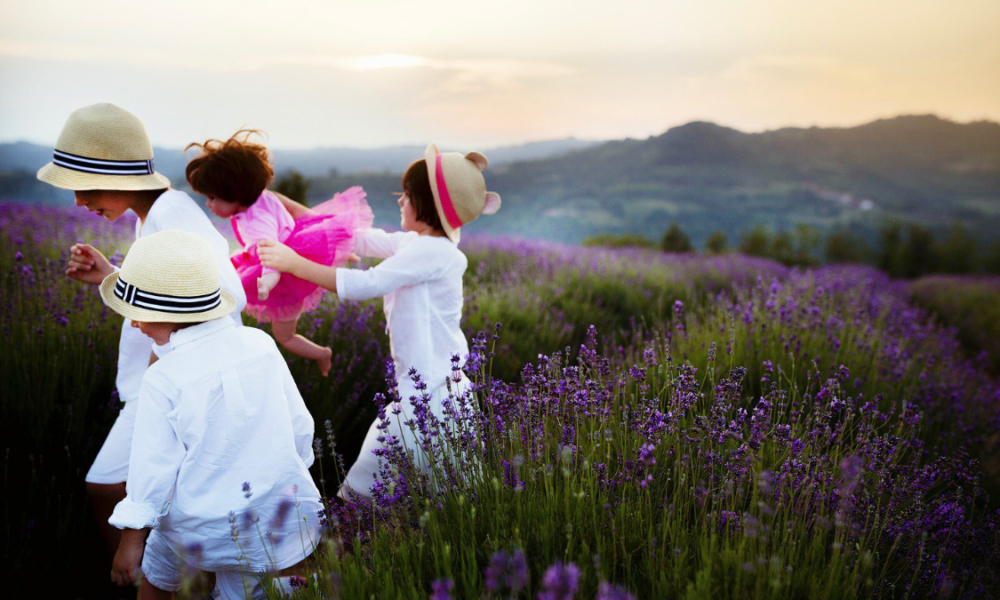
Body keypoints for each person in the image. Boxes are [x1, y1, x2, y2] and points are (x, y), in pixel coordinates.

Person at [36, 103, 247, 561]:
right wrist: (111, 276)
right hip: (166, 382)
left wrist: (161, 368)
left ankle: (140, 582)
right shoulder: (152, 216)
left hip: (173, 385)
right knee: (153, 496)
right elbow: (169, 295)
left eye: (85, 187)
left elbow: (228, 295)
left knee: (106, 487)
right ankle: (158, 581)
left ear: (119, 178)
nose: (77, 201)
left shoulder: (173, 217)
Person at [258, 143, 501, 502]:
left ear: (429, 206)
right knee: (447, 487)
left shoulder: (433, 253)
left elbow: (365, 284)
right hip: (429, 390)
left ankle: (343, 534)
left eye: (407, 195)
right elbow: (357, 238)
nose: (399, 201)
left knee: (378, 477)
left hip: (430, 393)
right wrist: (277, 204)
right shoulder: (418, 243)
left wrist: (293, 263)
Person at [102, 229, 324, 599]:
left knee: (157, 580)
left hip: (193, 523)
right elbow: (299, 424)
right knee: (246, 590)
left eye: (138, 315)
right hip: (265, 516)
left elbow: (152, 470)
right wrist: (283, 478)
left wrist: (129, 540)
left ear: (170, 315)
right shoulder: (260, 344)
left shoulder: (163, 377)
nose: (134, 325)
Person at [185, 130, 372, 376]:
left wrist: (270, 279)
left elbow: (271, 252)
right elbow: (304, 214)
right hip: (291, 251)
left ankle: (322, 354)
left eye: (212, 198)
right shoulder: (266, 196)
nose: (208, 204)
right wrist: (333, 243)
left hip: (284, 274)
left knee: (285, 336)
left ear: (236, 194)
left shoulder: (256, 223)